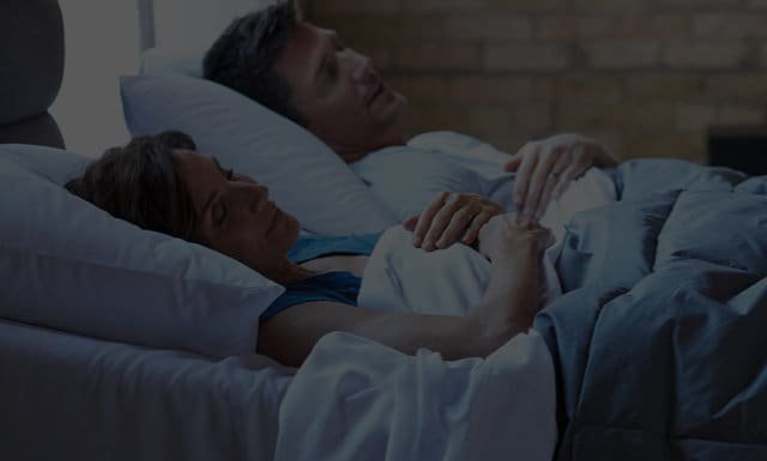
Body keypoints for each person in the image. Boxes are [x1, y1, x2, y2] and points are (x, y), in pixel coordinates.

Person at [65, 132, 552, 369]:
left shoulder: (304, 246)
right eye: (222, 212)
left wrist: (484, 221)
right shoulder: (285, 322)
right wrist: (516, 246)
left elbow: (487, 246)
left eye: (229, 174)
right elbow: (486, 335)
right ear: (192, 258)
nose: (254, 191)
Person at [201, 1, 619, 228]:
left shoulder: (431, 145)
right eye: (329, 72)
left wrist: (586, 151)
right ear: (300, 132)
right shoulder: (400, 186)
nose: (361, 64)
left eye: (341, 48)